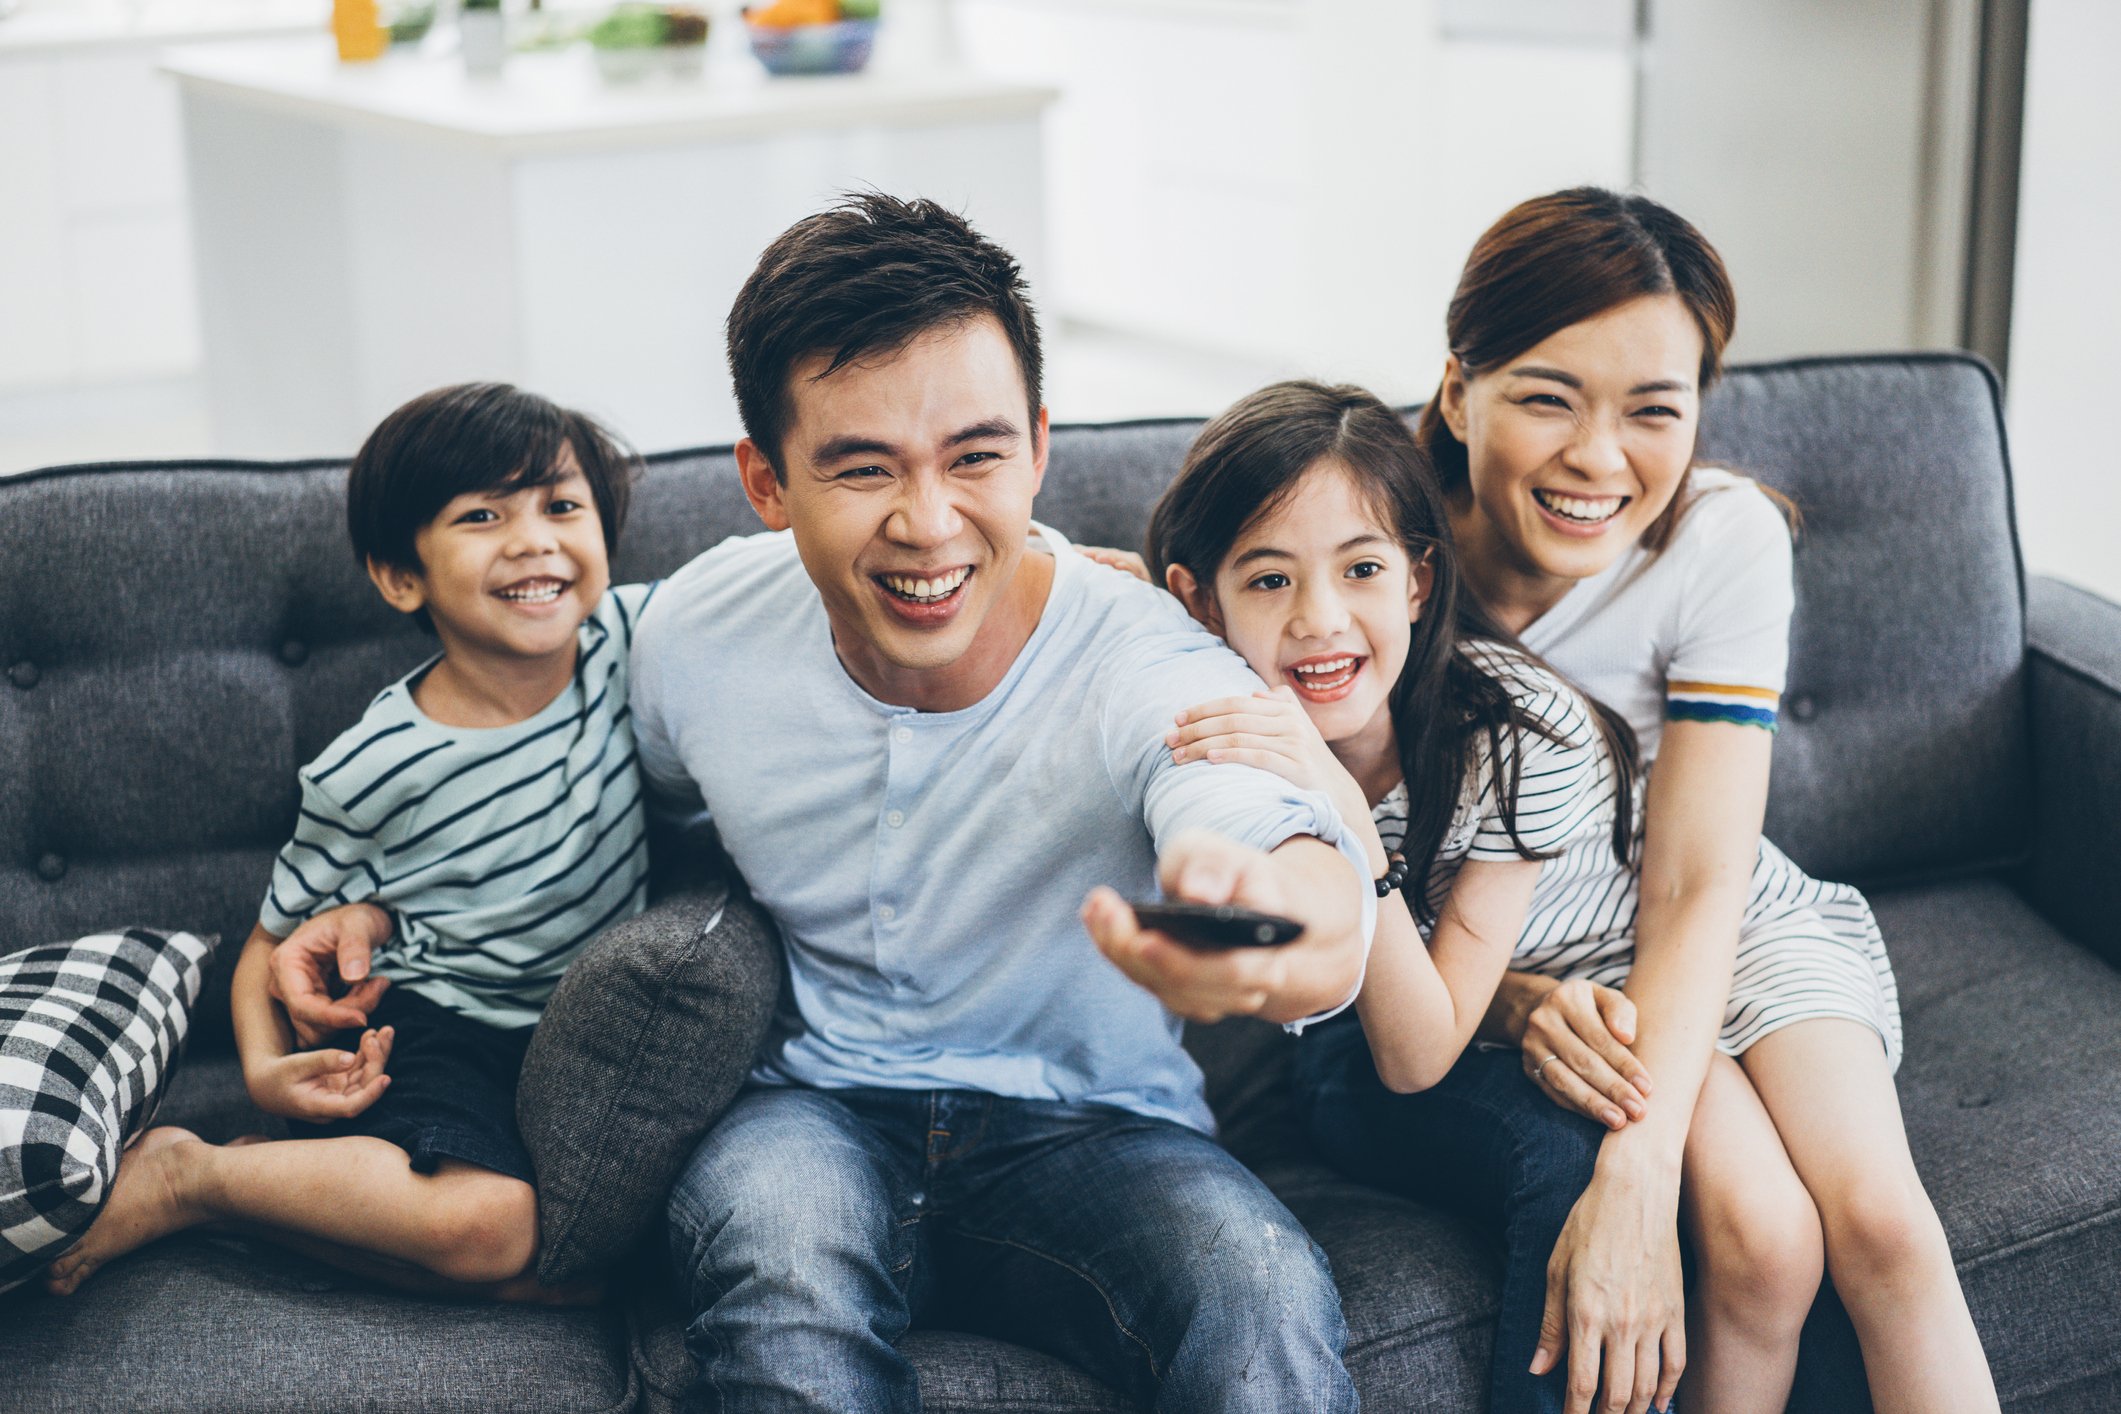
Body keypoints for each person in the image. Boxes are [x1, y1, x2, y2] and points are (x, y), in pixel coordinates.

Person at [631, 193, 1377, 1412]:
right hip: (814, 1109)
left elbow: (1290, 867)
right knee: (782, 1257)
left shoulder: (1145, 658)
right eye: (863, 468)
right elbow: (643, 815)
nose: (930, 524)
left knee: (1259, 1291)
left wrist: (1259, 929)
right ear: (766, 481)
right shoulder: (693, 637)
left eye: (975, 458)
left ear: (1038, 446)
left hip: (1098, 1126)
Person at [1148, 376, 1994, 1414]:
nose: (1321, 620)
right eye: (1270, 581)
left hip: (1734, 934)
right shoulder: (1228, 732)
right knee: (1767, 1237)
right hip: (1597, 981)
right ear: (1201, 601)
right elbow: (1414, 1056)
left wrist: (1346, 814)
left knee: (1885, 1228)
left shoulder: (1518, 737)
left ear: (1417, 580)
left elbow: (1428, 1037)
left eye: (1361, 568)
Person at [1413, 188, 1997, 1414]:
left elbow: (1699, 878)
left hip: (1735, 910)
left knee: (1884, 1227)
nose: (1598, 457)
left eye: (1652, 410)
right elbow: (1207, 585)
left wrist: (1635, 1170)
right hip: (1575, 959)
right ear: (1459, 390)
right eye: (1547, 396)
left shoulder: (1723, 537)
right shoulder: (1380, 550)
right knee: (1761, 1234)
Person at [46, 383, 654, 1299]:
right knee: (489, 1227)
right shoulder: (375, 764)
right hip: (441, 1021)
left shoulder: (637, 641)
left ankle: (274, 1204)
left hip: (586, 1031)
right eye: (483, 515)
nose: (535, 538)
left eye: (562, 505)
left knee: (607, 1267)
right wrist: (266, 1075)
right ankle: (193, 1176)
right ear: (401, 576)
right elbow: (267, 944)